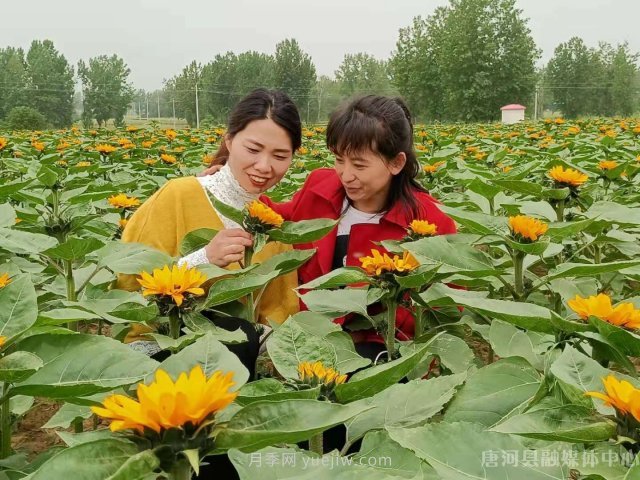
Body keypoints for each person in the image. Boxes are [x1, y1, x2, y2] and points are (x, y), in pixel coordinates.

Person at [260, 95, 457, 357]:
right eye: (339, 160)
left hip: (381, 346)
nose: (346, 175)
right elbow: (274, 216)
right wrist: (228, 183)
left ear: (396, 163)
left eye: (359, 164)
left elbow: (449, 304)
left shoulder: (429, 221)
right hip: (308, 334)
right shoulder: (320, 187)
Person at [117, 88, 303, 358]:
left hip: (237, 368)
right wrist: (203, 260)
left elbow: (278, 317)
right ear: (228, 141)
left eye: (280, 156)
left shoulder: (272, 229)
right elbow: (129, 288)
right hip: (162, 351)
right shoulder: (178, 195)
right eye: (253, 149)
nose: (264, 166)